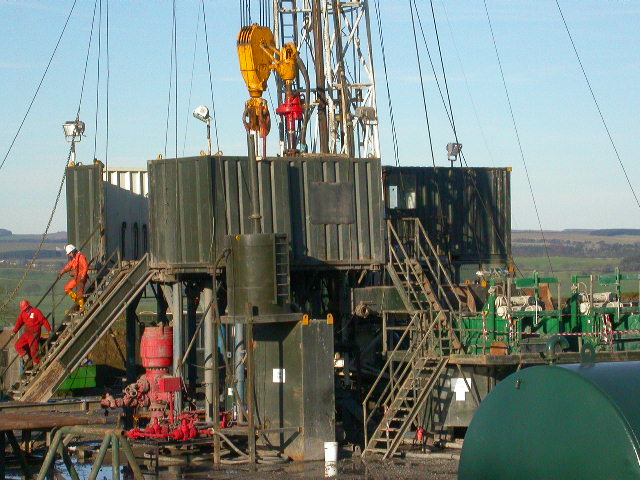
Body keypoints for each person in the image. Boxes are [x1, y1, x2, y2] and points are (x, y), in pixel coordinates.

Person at [13, 300, 52, 364]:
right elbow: (19, 323)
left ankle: (37, 362)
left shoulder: (36, 311)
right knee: (17, 345)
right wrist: (14, 332)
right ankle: (25, 356)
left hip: (35, 333)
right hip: (27, 333)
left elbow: (43, 320)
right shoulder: (22, 314)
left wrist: (49, 330)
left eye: (25, 308)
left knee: (33, 351)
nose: (24, 310)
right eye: (23, 309)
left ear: (28, 306)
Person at [58, 244, 89, 308]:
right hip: (76, 278)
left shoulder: (81, 257)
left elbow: (85, 267)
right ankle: (78, 301)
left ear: (73, 251)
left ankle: (81, 307)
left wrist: (83, 276)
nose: (69, 255)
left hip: (81, 278)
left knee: (80, 292)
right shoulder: (74, 259)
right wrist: (61, 273)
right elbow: (68, 267)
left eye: (70, 253)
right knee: (67, 288)